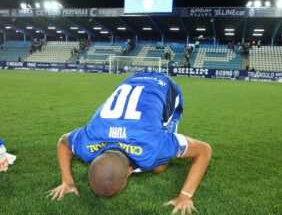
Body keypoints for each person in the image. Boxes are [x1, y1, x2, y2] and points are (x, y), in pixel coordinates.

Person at [47, 72, 212, 214]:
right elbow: (63, 142)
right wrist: (67, 182)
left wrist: (185, 195)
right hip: (129, 81)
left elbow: (204, 150)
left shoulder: (153, 147)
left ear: (129, 171)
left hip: (164, 87)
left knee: (158, 166)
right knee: (153, 161)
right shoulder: (89, 140)